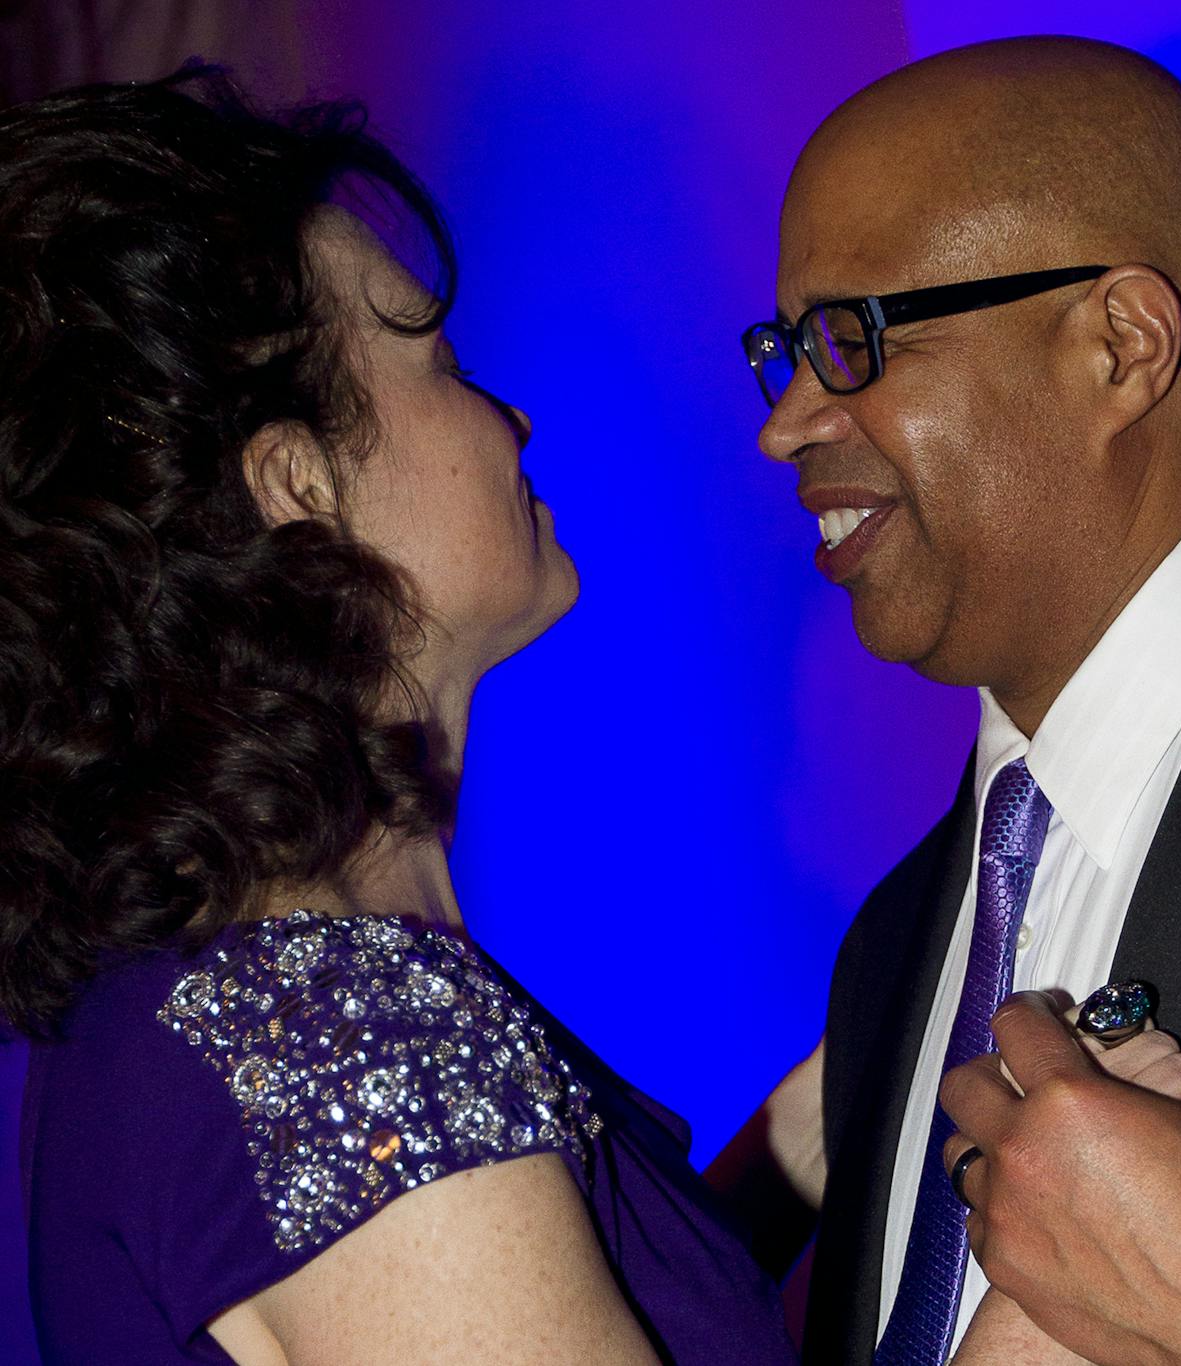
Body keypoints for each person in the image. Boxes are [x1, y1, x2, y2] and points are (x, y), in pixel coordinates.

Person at [2, 68, 813, 1365]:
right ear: (300, 485)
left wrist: (828, 1131)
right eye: (442, 362)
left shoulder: (229, 994)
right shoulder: (335, 1028)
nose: (515, 414)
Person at [743, 34, 1181, 1366]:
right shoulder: (890, 952)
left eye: (852, 341)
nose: (785, 423)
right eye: (785, 350)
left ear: (1121, 343)